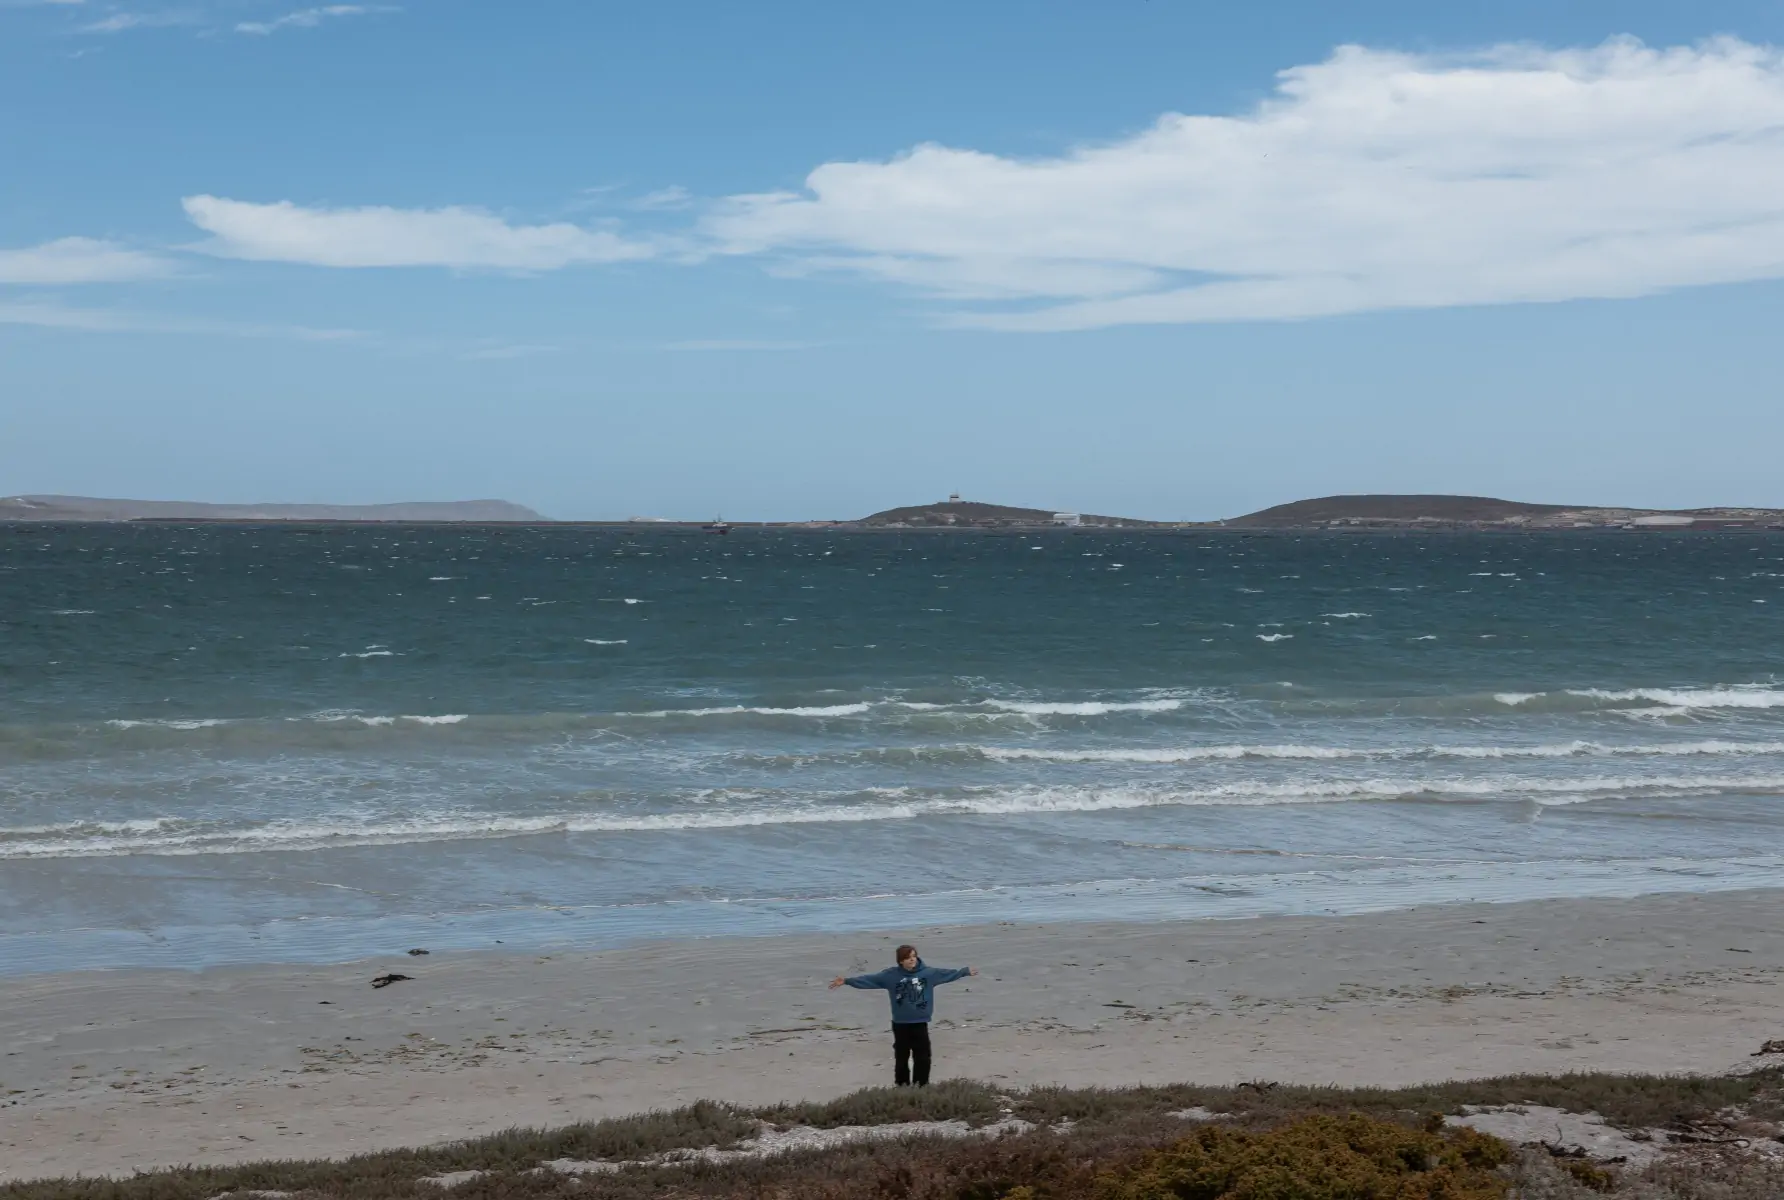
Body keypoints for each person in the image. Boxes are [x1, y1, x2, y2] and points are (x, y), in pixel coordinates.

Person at [828, 944, 978, 1086]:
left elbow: (948, 974)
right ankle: (902, 1087)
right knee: (902, 1058)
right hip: (900, 1023)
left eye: (914, 956)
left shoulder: (928, 973)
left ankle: (921, 1086)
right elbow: (870, 979)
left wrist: (964, 972)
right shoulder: (890, 975)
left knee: (923, 1057)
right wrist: (847, 981)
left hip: (920, 1022)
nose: (912, 959)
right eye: (908, 957)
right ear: (901, 961)